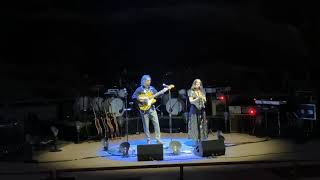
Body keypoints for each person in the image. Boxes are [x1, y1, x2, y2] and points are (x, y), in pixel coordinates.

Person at [132, 75, 162, 144]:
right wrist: (142, 100)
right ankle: (148, 139)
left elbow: (157, 95)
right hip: (144, 110)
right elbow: (134, 97)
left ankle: (158, 139)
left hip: (152, 108)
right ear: (144, 81)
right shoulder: (139, 89)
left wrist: (161, 93)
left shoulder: (152, 89)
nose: (149, 82)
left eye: (150, 80)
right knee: (146, 125)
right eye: (148, 81)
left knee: (156, 123)